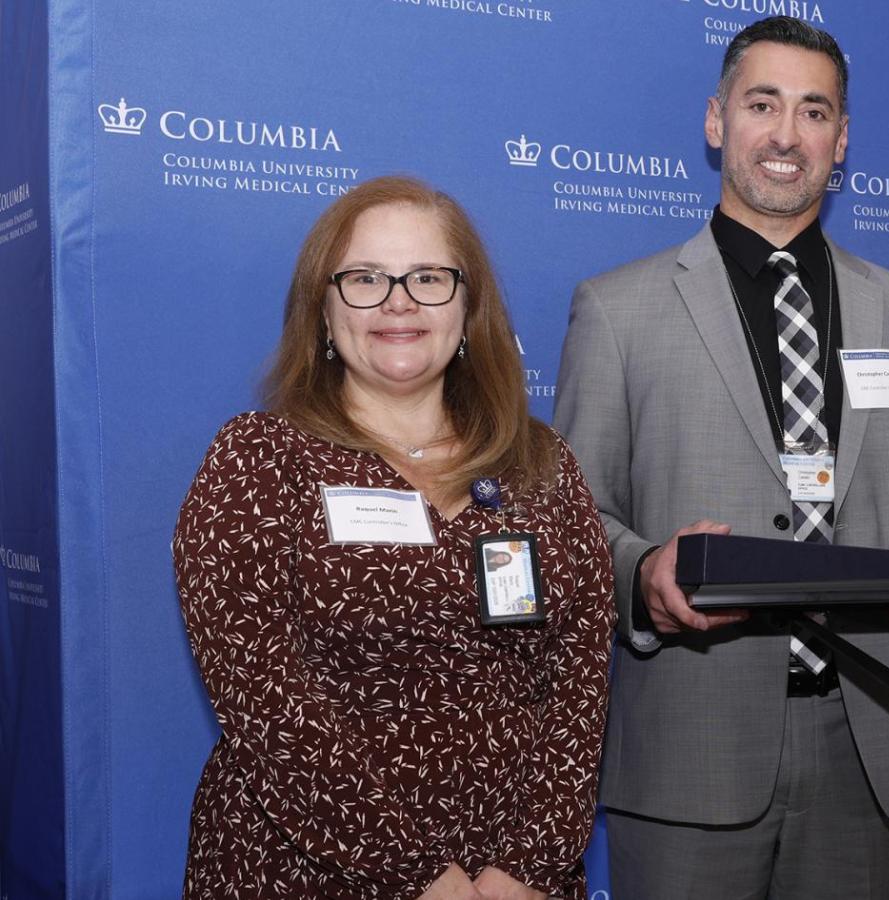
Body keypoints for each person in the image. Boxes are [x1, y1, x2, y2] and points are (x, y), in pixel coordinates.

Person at [551, 16, 889, 900]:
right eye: (763, 104)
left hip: (864, 744)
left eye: (814, 111)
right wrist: (645, 578)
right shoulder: (617, 310)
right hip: (690, 748)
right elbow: (573, 522)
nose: (787, 134)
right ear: (717, 121)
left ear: (843, 141)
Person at [174, 176, 615, 900]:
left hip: (514, 880)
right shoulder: (259, 461)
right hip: (308, 870)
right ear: (323, 309)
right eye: (366, 279)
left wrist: (527, 867)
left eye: (429, 277)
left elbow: (580, 680)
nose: (399, 301)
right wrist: (420, 877)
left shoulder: (542, 462)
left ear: (468, 307)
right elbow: (264, 698)